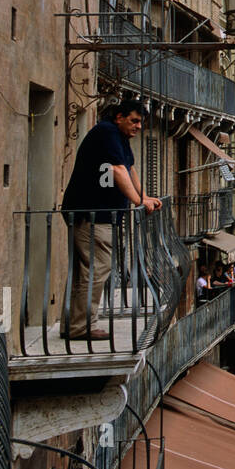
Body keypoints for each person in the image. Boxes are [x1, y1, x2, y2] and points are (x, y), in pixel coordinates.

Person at [60, 99, 161, 340]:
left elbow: (129, 169)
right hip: (92, 215)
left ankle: (73, 324)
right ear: (119, 117)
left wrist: (143, 196)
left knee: (85, 271)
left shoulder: (118, 137)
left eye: (141, 122)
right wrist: (138, 201)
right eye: (134, 121)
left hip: (95, 215)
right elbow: (117, 170)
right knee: (98, 267)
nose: (138, 126)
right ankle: (81, 327)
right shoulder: (107, 132)